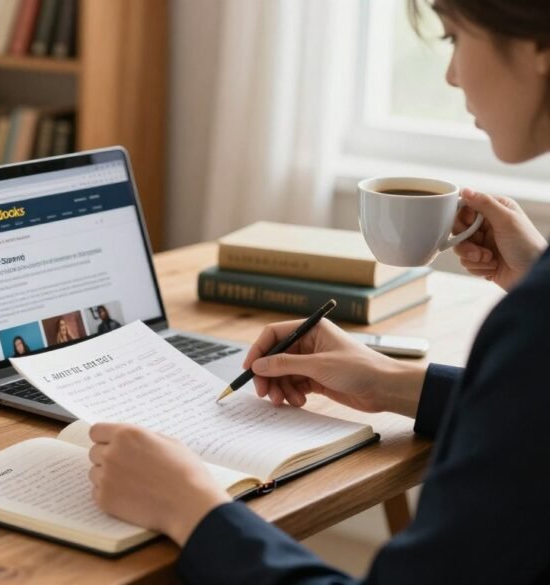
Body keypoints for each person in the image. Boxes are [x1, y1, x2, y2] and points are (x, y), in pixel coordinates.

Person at [87, 0, 550, 582]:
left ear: (540, 48)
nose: (452, 74)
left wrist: (190, 505)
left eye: (455, 36)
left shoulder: (534, 320)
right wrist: (392, 383)